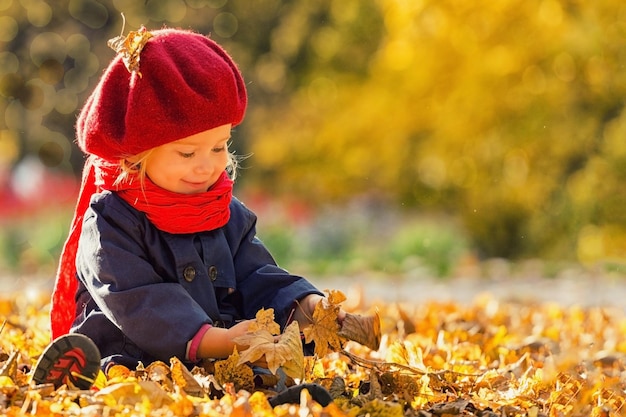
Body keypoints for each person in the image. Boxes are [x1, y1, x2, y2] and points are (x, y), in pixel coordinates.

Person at [31, 27, 342, 401]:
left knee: (255, 367)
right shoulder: (112, 219)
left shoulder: (225, 212)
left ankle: (272, 398)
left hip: (221, 346)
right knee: (130, 379)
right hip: (135, 347)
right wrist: (210, 339)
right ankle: (79, 376)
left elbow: (255, 273)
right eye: (187, 153)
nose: (207, 166)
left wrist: (305, 306)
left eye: (219, 147)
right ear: (138, 155)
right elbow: (135, 297)